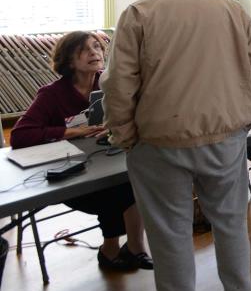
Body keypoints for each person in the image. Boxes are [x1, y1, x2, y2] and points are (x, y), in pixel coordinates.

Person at [101, 0, 251, 291]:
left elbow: (118, 83)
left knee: (169, 234)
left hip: (160, 141)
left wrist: (125, 134)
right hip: (225, 135)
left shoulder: (139, 12)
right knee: (231, 223)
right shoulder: (231, 9)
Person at [10, 31, 152, 272]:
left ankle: (135, 248)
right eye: (85, 50)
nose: (95, 53)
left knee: (134, 180)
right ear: (68, 59)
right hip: (67, 172)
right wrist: (71, 132)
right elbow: (19, 136)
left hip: (102, 160)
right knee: (117, 192)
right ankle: (111, 250)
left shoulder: (108, 83)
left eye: (97, 47)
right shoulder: (52, 94)